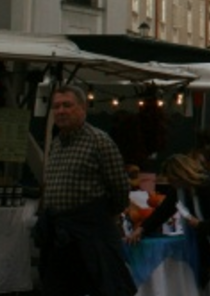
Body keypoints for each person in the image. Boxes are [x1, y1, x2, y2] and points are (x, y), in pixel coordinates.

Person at [34, 85, 136, 296]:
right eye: (56, 106)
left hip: (89, 235)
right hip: (59, 236)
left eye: (67, 105)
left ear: (82, 108)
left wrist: (97, 216)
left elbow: (120, 189)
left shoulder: (99, 141)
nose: (61, 111)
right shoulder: (56, 144)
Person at [126, 154, 210, 296]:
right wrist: (142, 228)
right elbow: (164, 210)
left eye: (171, 180)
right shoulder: (181, 189)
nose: (170, 184)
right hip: (204, 238)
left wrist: (201, 225)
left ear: (180, 176)